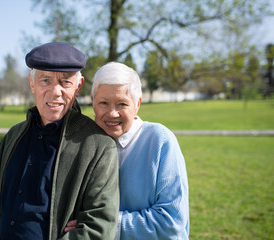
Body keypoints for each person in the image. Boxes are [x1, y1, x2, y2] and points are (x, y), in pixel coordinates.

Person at [0, 42, 119, 240]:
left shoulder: (99, 147)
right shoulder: (13, 137)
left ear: (79, 86)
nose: (55, 91)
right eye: (45, 80)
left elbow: (99, 226)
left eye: (65, 82)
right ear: (32, 84)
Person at [66, 62, 189, 239]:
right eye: (104, 103)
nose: (112, 113)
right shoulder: (84, 143)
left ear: (137, 104)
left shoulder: (160, 140)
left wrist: (104, 224)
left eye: (122, 104)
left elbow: (171, 222)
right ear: (93, 103)